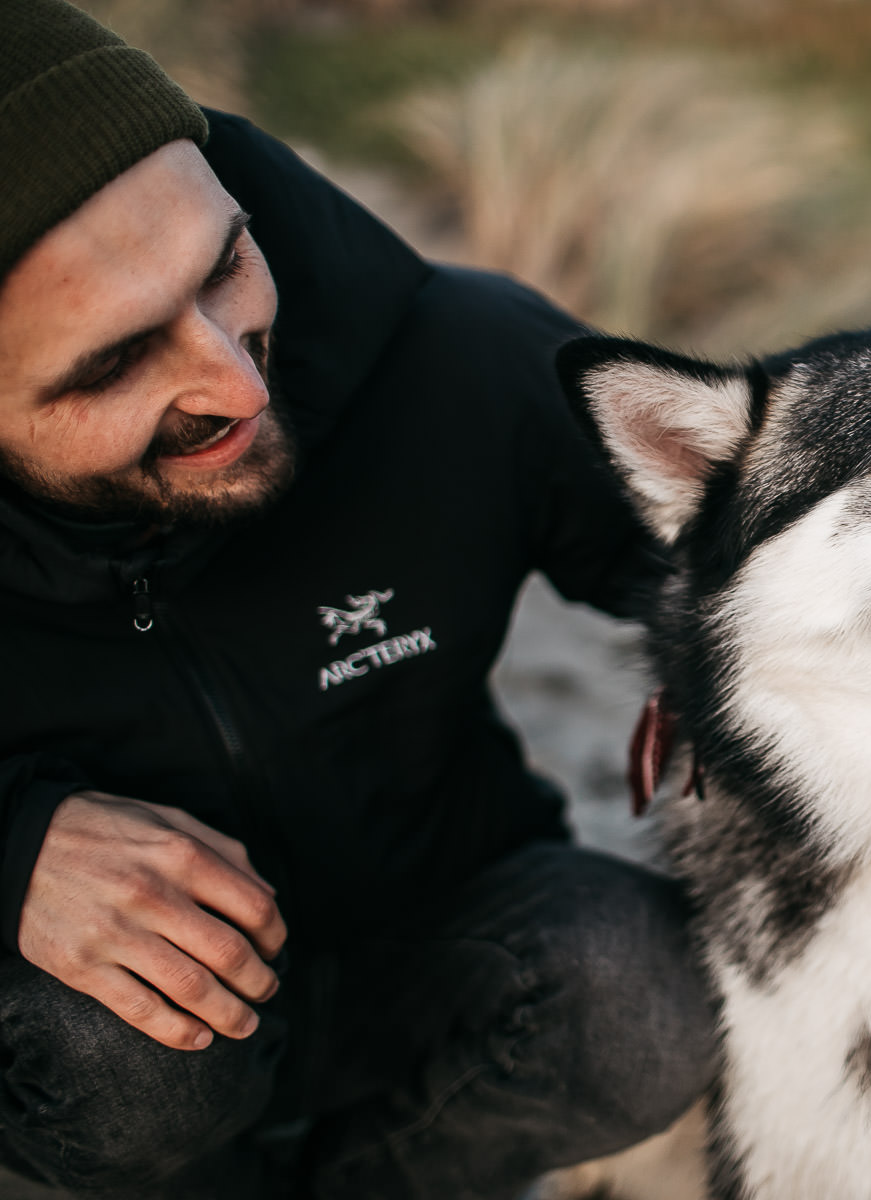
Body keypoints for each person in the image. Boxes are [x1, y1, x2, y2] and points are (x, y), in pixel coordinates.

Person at [0, 2, 713, 1197]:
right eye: (115, 361)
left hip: (439, 953)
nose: (232, 377)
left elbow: (754, 544)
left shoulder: (452, 354)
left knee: (636, 991)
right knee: (115, 1057)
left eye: (224, 263)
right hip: (94, 1086)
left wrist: (741, 654)